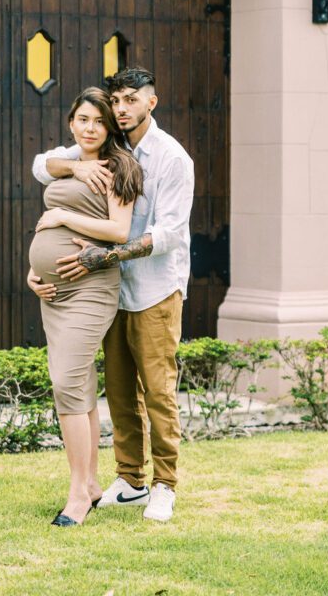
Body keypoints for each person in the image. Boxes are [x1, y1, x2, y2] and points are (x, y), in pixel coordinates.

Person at [30, 67, 194, 523]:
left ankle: (164, 485)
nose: (121, 108)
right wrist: (75, 166)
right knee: (120, 391)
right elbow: (40, 165)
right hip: (110, 291)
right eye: (116, 100)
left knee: (157, 390)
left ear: (151, 102)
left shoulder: (170, 158)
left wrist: (101, 255)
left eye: (129, 100)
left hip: (155, 288)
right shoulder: (110, 145)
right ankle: (130, 479)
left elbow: (168, 235)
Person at [28, 86, 144, 527]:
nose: (90, 128)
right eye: (82, 120)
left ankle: (78, 492)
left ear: (111, 125)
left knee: (66, 381)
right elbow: (44, 166)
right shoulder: (69, 164)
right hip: (54, 293)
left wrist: (63, 220)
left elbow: (119, 230)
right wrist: (33, 270)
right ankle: (91, 483)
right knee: (79, 385)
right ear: (71, 122)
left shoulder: (121, 168)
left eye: (99, 121)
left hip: (91, 288)